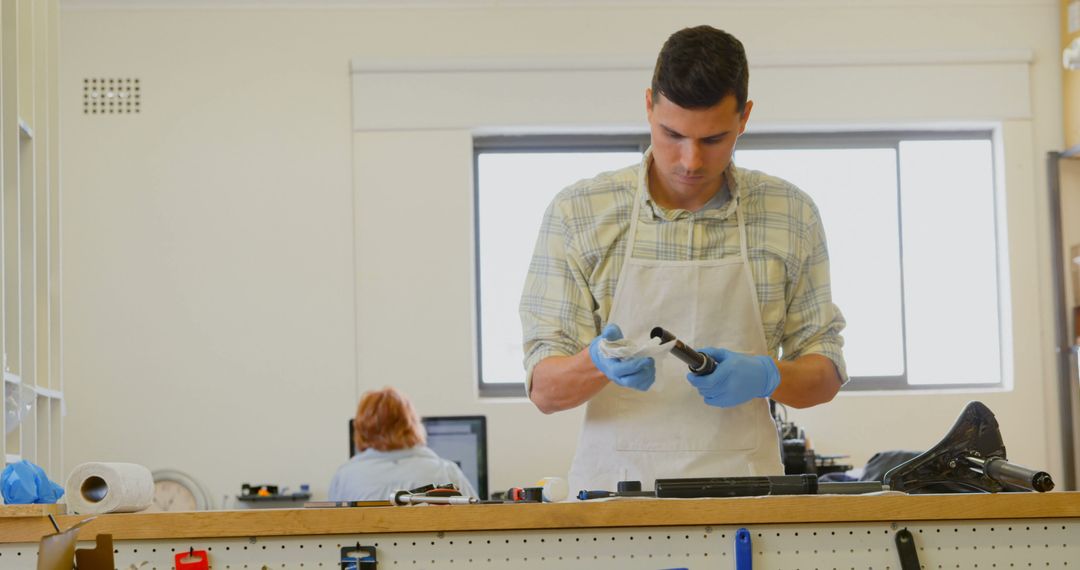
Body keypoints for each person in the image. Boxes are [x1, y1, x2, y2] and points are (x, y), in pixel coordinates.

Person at [520, 25, 847, 493]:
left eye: (713, 139)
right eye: (671, 134)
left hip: (752, 500)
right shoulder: (579, 213)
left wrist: (768, 375)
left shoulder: (789, 213)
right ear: (648, 105)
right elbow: (545, 392)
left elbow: (825, 375)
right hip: (614, 501)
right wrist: (597, 364)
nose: (690, 160)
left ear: (745, 117)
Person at [329, 387, 477, 501]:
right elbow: (479, 522)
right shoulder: (446, 472)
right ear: (412, 424)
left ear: (361, 428)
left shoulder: (345, 477)